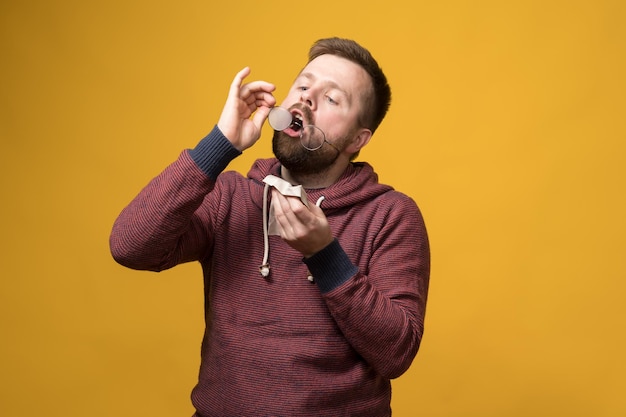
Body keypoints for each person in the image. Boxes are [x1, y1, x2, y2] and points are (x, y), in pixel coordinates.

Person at [110, 37, 430, 417]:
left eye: (332, 99)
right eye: (304, 85)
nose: (307, 99)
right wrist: (219, 145)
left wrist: (325, 255)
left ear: (358, 139)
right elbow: (129, 246)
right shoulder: (231, 196)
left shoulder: (391, 215)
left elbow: (396, 353)